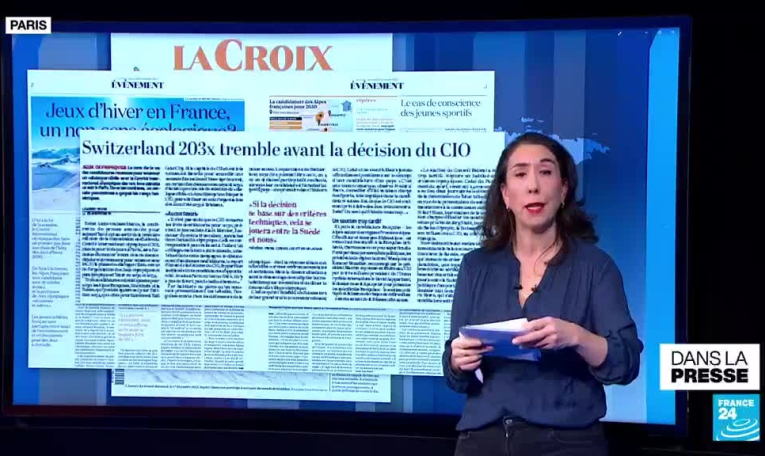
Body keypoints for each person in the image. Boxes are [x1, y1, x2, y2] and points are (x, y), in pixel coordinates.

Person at [442, 132, 643, 456]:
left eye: (545, 172)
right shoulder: (475, 266)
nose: (533, 185)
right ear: (505, 195)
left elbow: (626, 363)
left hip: (566, 442)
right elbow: (456, 377)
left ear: (563, 190)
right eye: (520, 174)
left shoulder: (596, 267)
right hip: (481, 441)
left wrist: (576, 337)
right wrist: (457, 360)